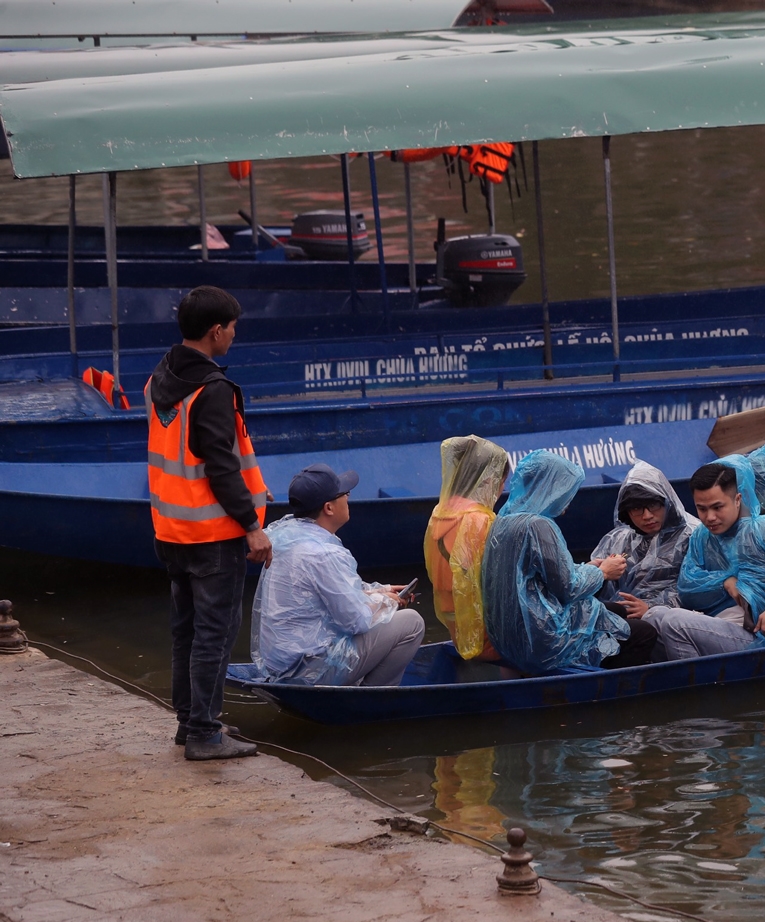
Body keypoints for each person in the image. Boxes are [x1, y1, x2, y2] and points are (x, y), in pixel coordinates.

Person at [146, 285, 270, 761]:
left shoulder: (163, 374)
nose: (234, 336)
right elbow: (218, 463)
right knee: (214, 635)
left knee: (186, 631)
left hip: (170, 530)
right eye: (233, 328)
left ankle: (188, 723)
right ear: (216, 331)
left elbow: (190, 456)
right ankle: (204, 732)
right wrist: (251, 523)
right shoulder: (212, 389)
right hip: (212, 535)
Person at [480, 451, 657, 674]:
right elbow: (568, 588)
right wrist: (603, 573)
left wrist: (587, 568)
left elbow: (536, 574)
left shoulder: (504, 519)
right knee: (645, 632)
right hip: (543, 640)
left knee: (617, 611)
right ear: (549, 488)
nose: (568, 499)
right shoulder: (538, 525)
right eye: (565, 490)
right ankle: (608, 689)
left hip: (508, 635)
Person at [251, 464, 426, 688]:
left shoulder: (288, 539)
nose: (348, 499)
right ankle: (373, 702)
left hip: (282, 666)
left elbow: (323, 597)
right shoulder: (324, 553)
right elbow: (356, 620)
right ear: (329, 508)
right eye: (345, 495)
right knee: (412, 622)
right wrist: (385, 603)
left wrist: (378, 591)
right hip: (310, 671)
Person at [645, 458, 765, 660]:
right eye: (701, 509)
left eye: (717, 507)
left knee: (674, 622)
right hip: (722, 626)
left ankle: (700, 688)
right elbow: (687, 588)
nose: (709, 517)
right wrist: (725, 582)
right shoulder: (702, 537)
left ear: (737, 500)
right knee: (652, 617)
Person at [423, 436, 511, 660]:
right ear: (489, 480)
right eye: (502, 482)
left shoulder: (440, 512)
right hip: (481, 632)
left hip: (453, 622)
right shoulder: (479, 520)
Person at [589, 460, 701, 618]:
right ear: (626, 513)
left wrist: (652, 608)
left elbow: (695, 588)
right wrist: (594, 572)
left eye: (654, 505)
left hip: (671, 619)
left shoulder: (692, 535)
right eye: (636, 509)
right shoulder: (619, 540)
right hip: (619, 617)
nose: (647, 516)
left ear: (667, 503)